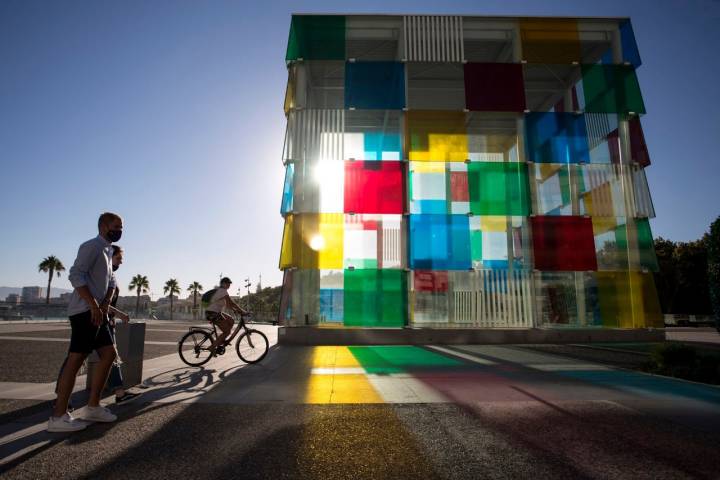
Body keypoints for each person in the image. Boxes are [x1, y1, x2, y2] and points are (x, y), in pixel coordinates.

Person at [48, 212, 122, 432]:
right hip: (84, 312)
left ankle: (93, 406)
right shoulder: (92, 247)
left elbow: (112, 281)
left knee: (109, 354)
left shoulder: (108, 251)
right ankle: (58, 416)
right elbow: (75, 275)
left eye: (121, 227)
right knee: (76, 359)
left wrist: (106, 304)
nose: (120, 231)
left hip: (98, 313)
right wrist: (93, 305)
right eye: (117, 226)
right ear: (104, 226)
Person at [106, 245, 140, 404]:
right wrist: (119, 313)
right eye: (118, 258)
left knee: (111, 356)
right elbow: (99, 300)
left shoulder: (110, 274)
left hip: (106, 321)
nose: (121, 262)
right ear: (109, 257)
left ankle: (119, 392)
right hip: (95, 321)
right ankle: (63, 397)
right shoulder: (103, 274)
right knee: (76, 359)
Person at [205, 277, 248, 355]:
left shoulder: (220, 291)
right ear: (223, 284)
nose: (229, 285)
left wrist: (236, 310)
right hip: (213, 313)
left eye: (229, 283)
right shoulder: (222, 291)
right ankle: (212, 347)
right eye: (227, 283)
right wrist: (242, 311)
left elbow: (228, 305)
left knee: (231, 320)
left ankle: (222, 339)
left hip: (215, 312)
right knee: (227, 331)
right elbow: (231, 303)